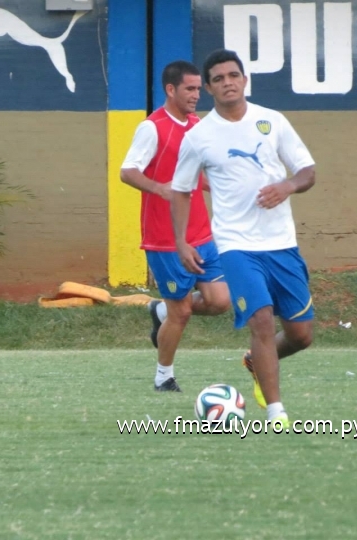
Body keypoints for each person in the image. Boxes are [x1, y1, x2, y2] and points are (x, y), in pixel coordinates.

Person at [171, 49, 315, 428]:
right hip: (236, 245)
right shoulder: (198, 137)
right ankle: (277, 413)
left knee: (301, 335)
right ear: (208, 88)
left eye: (233, 75)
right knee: (262, 321)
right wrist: (182, 242)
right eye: (218, 79)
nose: (228, 83)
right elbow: (181, 190)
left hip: (281, 243)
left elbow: (307, 171)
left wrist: (287, 186)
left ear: (245, 80)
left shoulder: (272, 121)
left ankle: (255, 361)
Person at [120, 60, 230, 392]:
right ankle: (163, 377)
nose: (197, 95)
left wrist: (223, 186)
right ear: (171, 90)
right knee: (181, 312)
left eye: (198, 89)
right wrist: (160, 188)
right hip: (165, 239)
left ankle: (161, 311)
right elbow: (128, 171)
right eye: (190, 89)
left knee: (220, 301)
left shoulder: (196, 125)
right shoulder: (152, 128)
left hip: (201, 232)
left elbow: (196, 174)